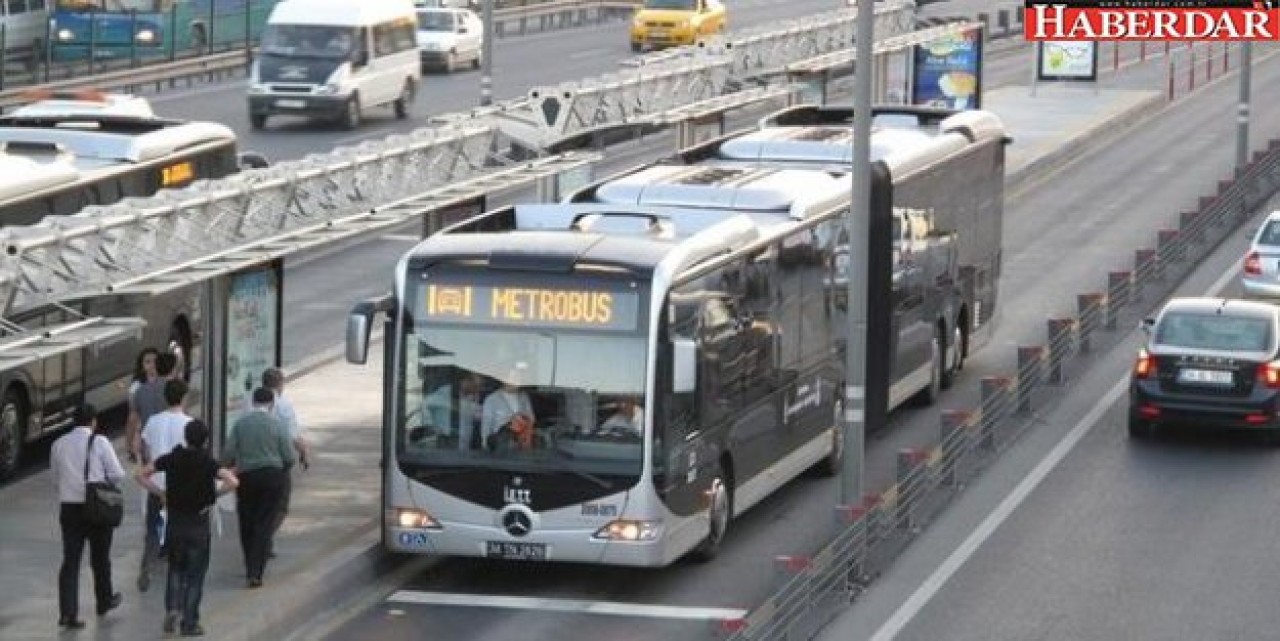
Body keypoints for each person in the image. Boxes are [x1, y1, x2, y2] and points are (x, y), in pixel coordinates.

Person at [136, 420, 238, 637]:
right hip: (198, 526)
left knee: (175, 569)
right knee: (195, 576)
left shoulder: (172, 458)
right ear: (206, 440)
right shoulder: (208, 462)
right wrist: (214, 496)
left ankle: (172, 608)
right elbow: (232, 481)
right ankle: (189, 622)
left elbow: (141, 474)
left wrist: (160, 493)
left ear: (186, 437)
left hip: (175, 523)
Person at [51, 404, 124, 629]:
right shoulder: (100, 442)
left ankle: (68, 613)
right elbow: (117, 474)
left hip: (69, 508)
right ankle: (104, 600)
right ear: (93, 421)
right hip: (96, 507)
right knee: (100, 557)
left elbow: (55, 478)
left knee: (71, 561)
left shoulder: (58, 444)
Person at [222, 388, 295, 588]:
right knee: (264, 523)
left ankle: (249, 566)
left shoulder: (240, 424)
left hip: (247, 477)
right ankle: (257, 572)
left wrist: (229, 467)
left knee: (247, 521)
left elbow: (228, 453)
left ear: (253, 402)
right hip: (272, 477)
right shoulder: (277, 425)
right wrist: (282, 470)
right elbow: (289, 456)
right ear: (271, 404)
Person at [136, 378, 193, 592]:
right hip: (180, 488)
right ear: (184, 397)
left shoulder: (153, 422)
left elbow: (146, 450)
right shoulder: (188, 424)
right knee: (179, 531)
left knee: (152, 529)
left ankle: (147, 565)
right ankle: (177, 574)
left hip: (156, 485)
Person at [261, 367, 310, 558]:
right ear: (280, 384)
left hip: (251, 464)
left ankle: (262, 539)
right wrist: (304, 453)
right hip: (277, 463)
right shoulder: (283, 404)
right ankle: (264, 537)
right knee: (280, 505)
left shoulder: (250, 400)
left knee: (259, 504)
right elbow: (292, 435)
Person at [481, 365, 536, 450]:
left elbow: (531, 418)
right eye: (514, 377)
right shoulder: (491, 400)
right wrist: (485, 446)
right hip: (500, 449)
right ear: (504, 378)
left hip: (522, 448)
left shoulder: (524, 397)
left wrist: (522, 418)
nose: (517, 381)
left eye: (519, 378)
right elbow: (486, 427)